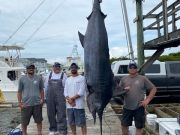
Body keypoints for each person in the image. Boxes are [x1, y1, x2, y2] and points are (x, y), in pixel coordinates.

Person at [119, 62, 157, 135]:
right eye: (131, 67)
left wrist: (147, 100)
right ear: (128, 69)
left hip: (139, 107)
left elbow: (153, 89)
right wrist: (124, 90)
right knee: (124, 125)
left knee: (139, 127)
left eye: (134, 67)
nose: (132, 69)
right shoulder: (123, 79)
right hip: (127, 107)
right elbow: (119, 91)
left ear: (137, 69)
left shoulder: (143, 78)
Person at [17, 64, 44, 135]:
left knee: (39, 121)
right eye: (29, 68)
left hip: (37, 104)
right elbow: (19, 91)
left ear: (34, 69)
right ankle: (24, 133)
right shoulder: (22, 79)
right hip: (26, 104)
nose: (31, 69)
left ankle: (39, 133)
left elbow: (41, 90)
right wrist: (20, 103)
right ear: (26, 69)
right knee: (24, 122)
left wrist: (42, 99)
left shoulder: (39, 78)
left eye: (32, 68)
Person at [44, 62, 67, 135]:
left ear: (60, 67)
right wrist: (45, 97)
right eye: (55, 67)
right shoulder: (49, 75)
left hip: (60, 97)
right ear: (53, 67)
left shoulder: (64, 75)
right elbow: (46, 87)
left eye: (58, 67)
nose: (57, 68)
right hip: (50, 98)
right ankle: (53, 129)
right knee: (50, 114)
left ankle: (62, 130)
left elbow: (66, 87)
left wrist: (66, 97)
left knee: (61, 114)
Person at [64, 63, 87, 135]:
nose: (73, 69)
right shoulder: (68, 79)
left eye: (75, 67)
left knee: (82, 123)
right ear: (70, 69)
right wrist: (69, 100)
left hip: (79, 105)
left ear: (77, 68)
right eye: (72, 68)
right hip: (69, 105)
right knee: (71, 123)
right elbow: (65, 92)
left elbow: (81, 91)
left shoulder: (82, 78)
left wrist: (72, 99)